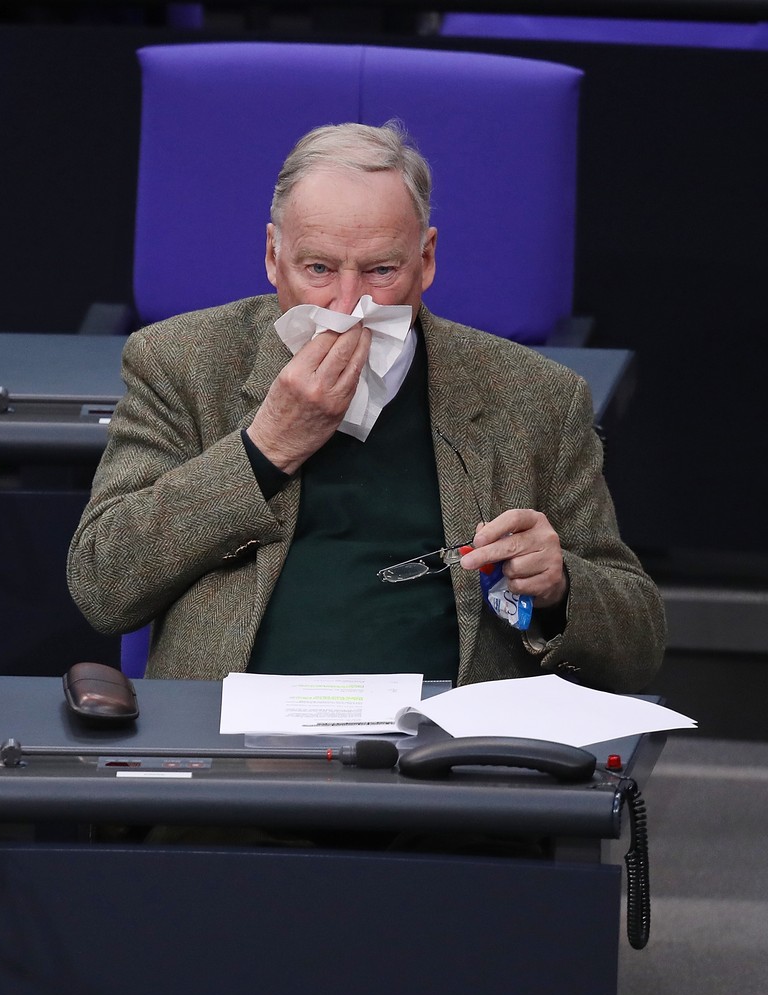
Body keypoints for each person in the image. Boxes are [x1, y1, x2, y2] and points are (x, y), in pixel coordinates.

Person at [67, 121, 664, 691]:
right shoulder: (183, 363)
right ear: (273, 256)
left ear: (425, 260)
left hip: (446, 754)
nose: (349, 304)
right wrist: (264, 449)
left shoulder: (534, 397)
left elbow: (638, 646)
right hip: (235, 744)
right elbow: (102, 584)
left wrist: (559, 588)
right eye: (319, 269)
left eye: (381, 270)